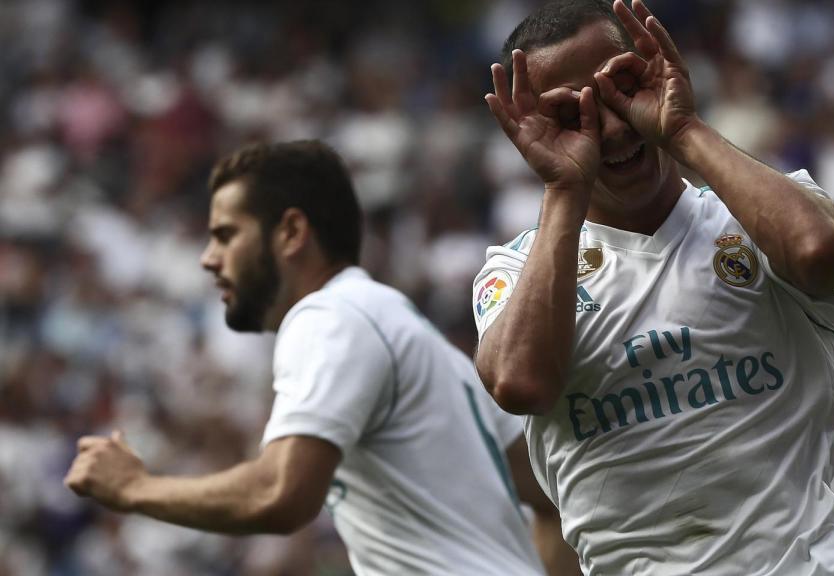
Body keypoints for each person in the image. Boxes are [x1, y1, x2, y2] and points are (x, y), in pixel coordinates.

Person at [473, 0, 834, 574]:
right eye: (572, 115)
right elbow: (521, 383)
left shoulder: (755, 214)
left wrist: (683, 128)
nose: (612, 127)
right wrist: (564, 187)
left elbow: (824, 256)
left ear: (655, 70)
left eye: (622, 86)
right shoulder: (514, 271)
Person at [64, 140, 579, 575]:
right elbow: (551, 499)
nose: (209, 258)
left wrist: (134, 487)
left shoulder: (332, 316)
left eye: (225, 234)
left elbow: (281, 493)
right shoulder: (399, 325)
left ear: (291, 232)